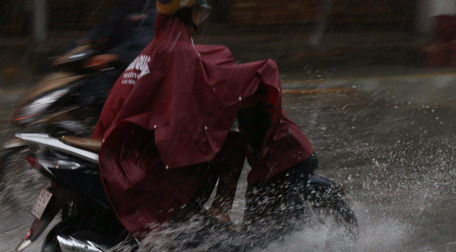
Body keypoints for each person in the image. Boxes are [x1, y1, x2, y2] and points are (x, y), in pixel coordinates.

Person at [93, 0, 316, 239]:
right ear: (189, 12)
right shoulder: (178, 51)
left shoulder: (156, 49)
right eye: (198, 11)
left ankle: (207, 216)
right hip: (146, 157)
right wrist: (256, 75)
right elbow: (195, 96)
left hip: (128, 144)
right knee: (231, 144)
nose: (200, 16)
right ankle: (218, 212)